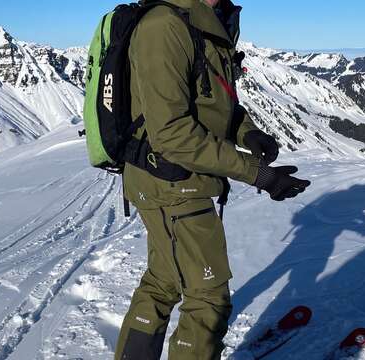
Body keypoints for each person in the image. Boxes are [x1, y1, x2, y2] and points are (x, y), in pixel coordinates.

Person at [114, 0, 311, 359]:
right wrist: (259, 174)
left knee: (162, 282)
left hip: (172, 180)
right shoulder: (165, 26)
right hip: (173, 182)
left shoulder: (202, 22)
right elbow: (172, 134)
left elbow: (212, 100)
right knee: (208, 299)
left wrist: (246, 132)